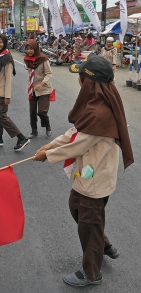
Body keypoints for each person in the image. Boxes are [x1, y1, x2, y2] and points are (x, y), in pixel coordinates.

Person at [33, 54, 133, 287]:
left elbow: (78, 144)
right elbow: (76, 132)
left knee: (88, 222)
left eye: (81, 77)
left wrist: (47, 155)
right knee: (77, 208)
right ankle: (103, 244)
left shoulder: (100, 113)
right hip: (89, 175)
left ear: (90, 82)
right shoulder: (97, 104)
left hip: (95, 180)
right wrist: (51, 144)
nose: (79, 81)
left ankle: (91, 272)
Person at [24, 39, 53, 139]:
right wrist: (27, 67)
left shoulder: (43, 59)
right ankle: (34, 131)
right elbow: (27, 66)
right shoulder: (27, 59)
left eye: (31, 49)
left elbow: (49, 73)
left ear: (35, 48)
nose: (29, 51)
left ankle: (47, 125)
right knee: (32, 111)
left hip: (43, 89)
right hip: (32, 88)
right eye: (27, 49)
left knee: (41, 111)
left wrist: (41, 84)